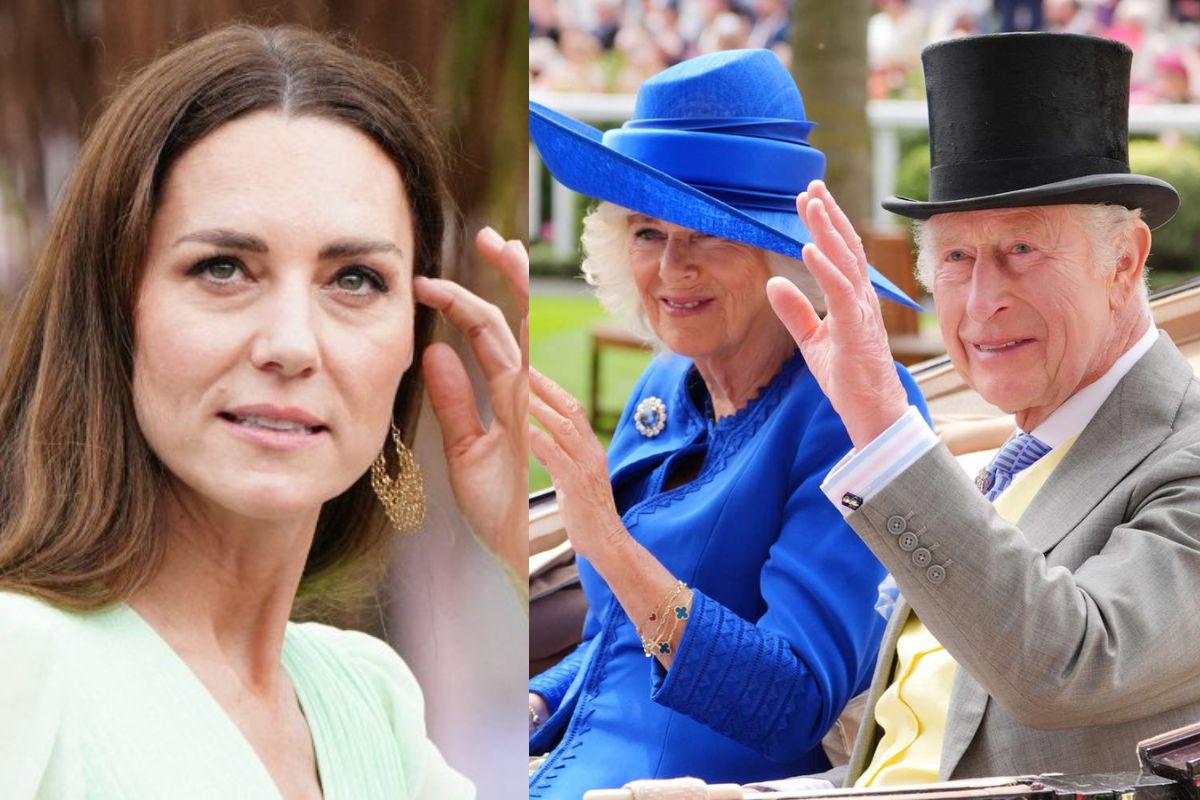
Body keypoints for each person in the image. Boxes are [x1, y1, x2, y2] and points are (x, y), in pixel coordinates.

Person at [0, 24, 527, 799]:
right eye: (223, 269)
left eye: (354, 280)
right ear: (118, 306)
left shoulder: (369, 700)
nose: (290, 344)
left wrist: (531, 540)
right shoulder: (23, 662)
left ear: (412, 340)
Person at [764, 32, 1200, 786]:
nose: (983, 300)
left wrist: (884, 429)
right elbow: (913, 753)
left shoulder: (1184, 455)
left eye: (1023, 250)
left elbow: (1067, 665)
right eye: (957, 259)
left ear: (1124, 261)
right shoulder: (1013, 458)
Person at [526, 49, 929, 797]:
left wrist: (608, 543)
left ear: (780, 254)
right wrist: (539, 699)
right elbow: (619, 641)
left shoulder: (848, 413)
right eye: (647, 232)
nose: (671, 268)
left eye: (705, 233)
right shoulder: (667, 386)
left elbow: (795, 702)